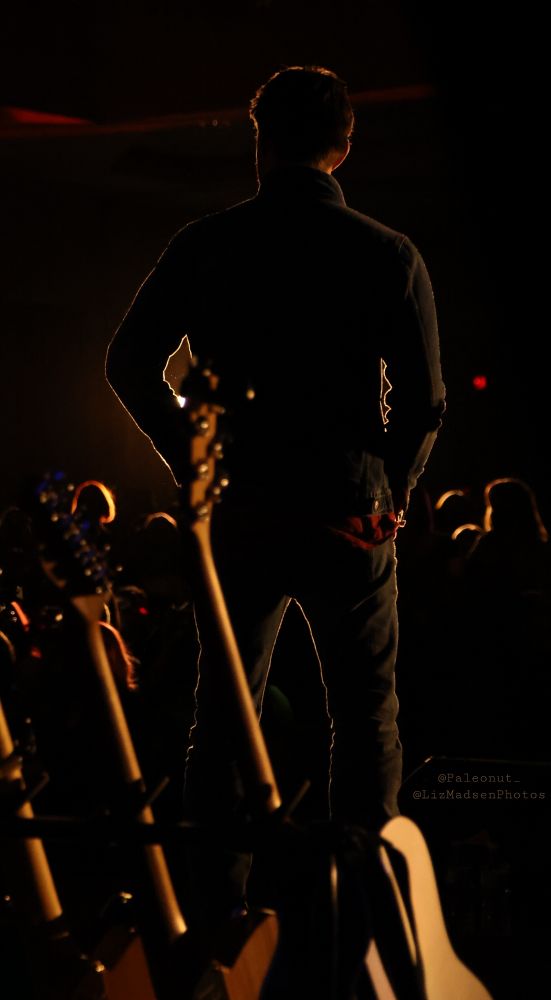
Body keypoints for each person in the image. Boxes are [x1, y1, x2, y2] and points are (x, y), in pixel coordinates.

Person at [105, 65, 446, 937]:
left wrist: (192, 455)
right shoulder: (385, 252)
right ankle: (365, 913)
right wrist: (392, 491)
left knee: (224, 714)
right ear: (343, 146)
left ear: (261, 146)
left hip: (241, 505)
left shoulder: (205, 243)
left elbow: (129, 362)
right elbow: (422, 403)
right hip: (347, 506)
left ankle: (217, 917)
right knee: (366, 715)